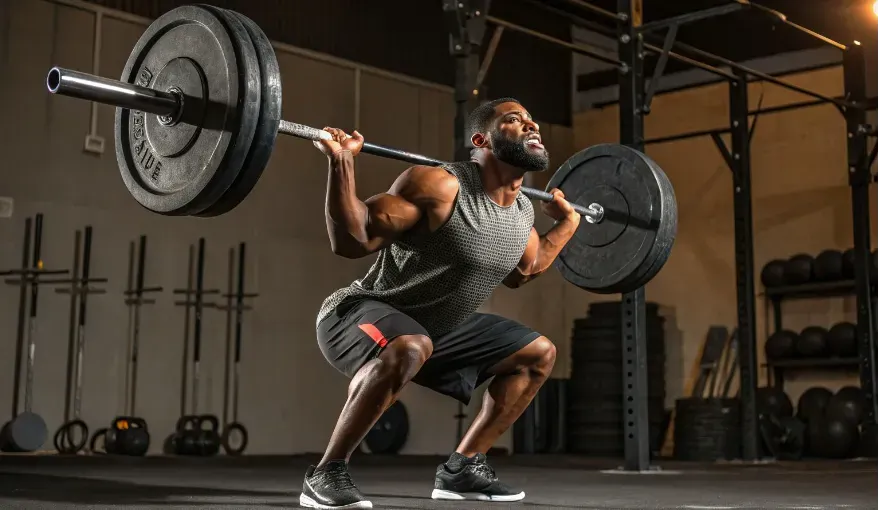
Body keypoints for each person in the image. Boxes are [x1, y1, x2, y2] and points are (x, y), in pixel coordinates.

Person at [299, 98, 581, 510]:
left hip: (434, 330)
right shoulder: (439, 186)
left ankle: (463, 469)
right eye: (515, 120)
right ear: (481, 140)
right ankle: (325, 473)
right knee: (411, 346)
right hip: (356, 314)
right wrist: (341, 162)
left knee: (538, 354)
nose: (531, 125)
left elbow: (527, 269)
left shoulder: (521, 213)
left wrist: (568, 223)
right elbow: (352, 240)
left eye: (532, 120)